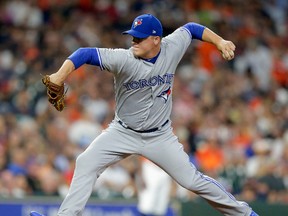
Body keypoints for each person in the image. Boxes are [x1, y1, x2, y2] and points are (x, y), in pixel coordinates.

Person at [30, 14, 259, 216]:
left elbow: (192, 28)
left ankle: (244, 213)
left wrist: (219, 40)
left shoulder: (172, 46)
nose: (134, 41)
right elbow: (84, 53)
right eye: (133, 36)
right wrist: (60, 75)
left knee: (191, 180)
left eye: (139, 37)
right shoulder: (124, 58)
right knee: (86, 162)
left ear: (156, 39)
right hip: (122, 132)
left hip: (159, 136)